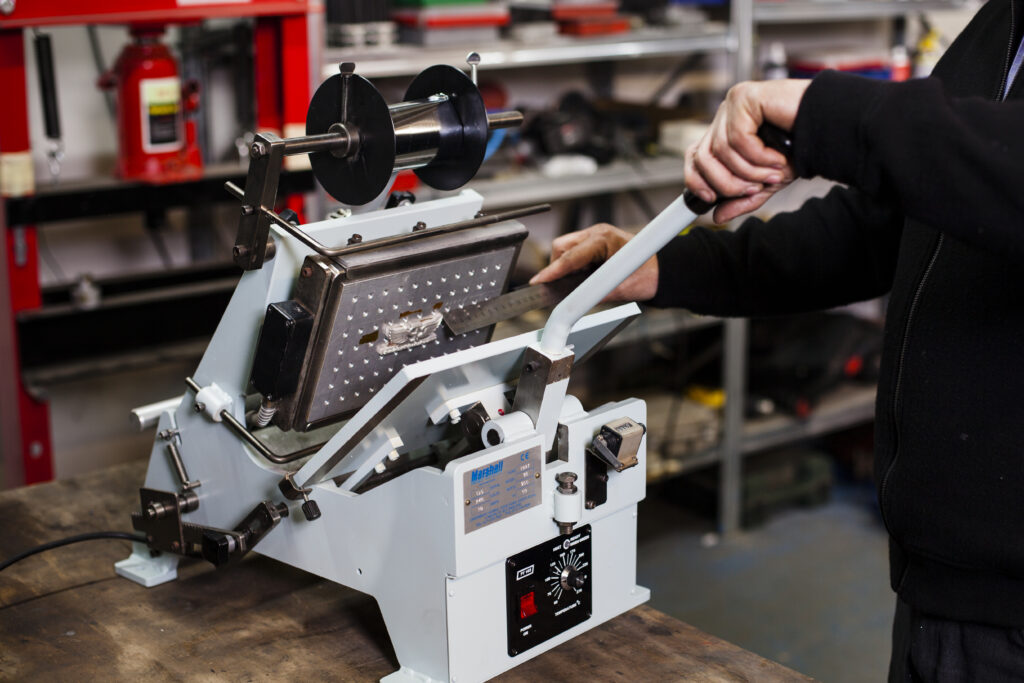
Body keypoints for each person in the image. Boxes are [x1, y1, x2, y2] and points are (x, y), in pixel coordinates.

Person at [531, 2, 1024, 680]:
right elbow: (882, 229)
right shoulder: (1000, 27)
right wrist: (665, 266)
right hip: (941, 583)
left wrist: (824, 111)